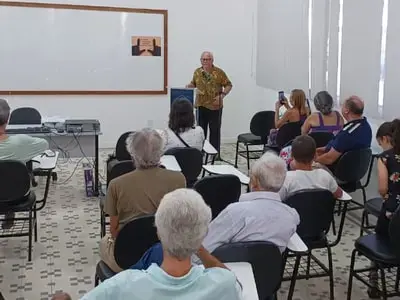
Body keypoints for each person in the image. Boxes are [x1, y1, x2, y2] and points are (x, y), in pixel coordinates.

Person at [81, 189, 242, 300]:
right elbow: (233, 283)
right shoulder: (223, 283)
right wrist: (196, 244)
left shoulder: (123, 284)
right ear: (202, 236)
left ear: (158, 232)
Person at [100, 128, 186, 273]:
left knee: (103, 242)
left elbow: (114, 231)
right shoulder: (179, 179)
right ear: (161, 153)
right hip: (166, 254)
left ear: (132, 153)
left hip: (126, 258)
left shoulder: (116, 184)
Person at [0, 98, 49, 229]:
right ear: (8, 118)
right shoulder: (20, 141)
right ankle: (9, 211)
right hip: (18, 196)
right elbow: (44, 144)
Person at [368, 119, 400, 298]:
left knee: (380, 238)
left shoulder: (385, 158)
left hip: (392, 211)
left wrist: (388, 198)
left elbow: (382, 188)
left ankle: (374, 280)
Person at [280, 91, 344, 165]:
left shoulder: (313, 117)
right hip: (334, 155)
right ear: (331, 102)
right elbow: (340, 133)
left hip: (313, 155)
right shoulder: (338, 116)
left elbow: (303, 134)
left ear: (316, 105)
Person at [186, 51, 232, 154]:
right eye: (204, 59)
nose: (206, 61)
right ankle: (201, 152)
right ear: (201, 61)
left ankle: (214, 153)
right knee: (201, 131)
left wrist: (222, 95)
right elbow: (193, 83)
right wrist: (189, 86)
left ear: (212, 60)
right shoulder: (197, 72)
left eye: (208, 59)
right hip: (201, 105)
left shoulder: (219, 72)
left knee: (214, 131)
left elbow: (229, 85)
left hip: (215, 106)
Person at [278, 135, 343, 201]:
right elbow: (339, 194)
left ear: (291, 155)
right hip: (320, 211)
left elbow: (277, 200)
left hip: (293, 211)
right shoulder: (325, 176)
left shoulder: (286, 179)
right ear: (315, 156)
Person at [315, 95, 372, 168]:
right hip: (355, 168)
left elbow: (329, 159)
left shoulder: (347, 134)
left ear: (346, 110)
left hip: (340, 169)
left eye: (342, 105)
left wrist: (313, 160)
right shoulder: (366, 126)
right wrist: (322, 149)